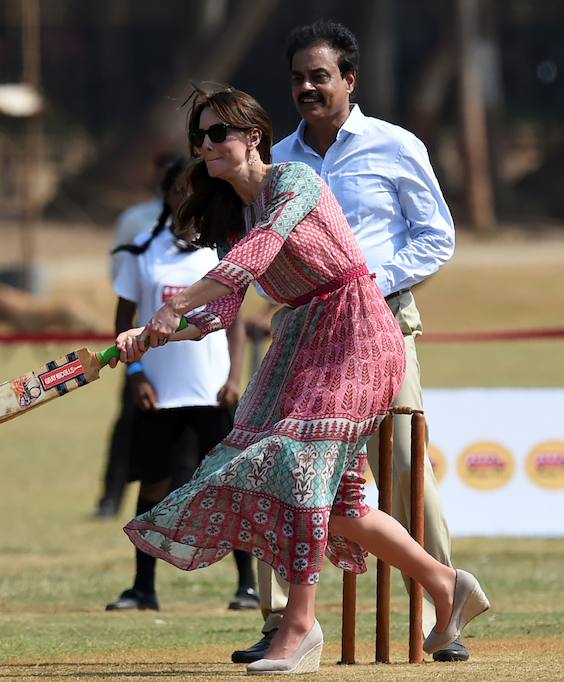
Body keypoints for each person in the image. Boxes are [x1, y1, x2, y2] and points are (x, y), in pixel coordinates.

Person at [113, 85, 489, 675]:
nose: (207, 145)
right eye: (200, 137)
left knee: (297, 470)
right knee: (340, 503)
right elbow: (222, 309)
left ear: (252, 137)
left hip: (357, 332)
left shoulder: (295, 183)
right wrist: (156, 332)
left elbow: (257, 257)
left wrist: (175, 301)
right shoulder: (235, 214)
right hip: (299, 342)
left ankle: (298, 626)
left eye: (219, 133)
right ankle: (446, 585)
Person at [230, 20, 465, 665]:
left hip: (384, 323)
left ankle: (442, 606)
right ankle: (284, 621)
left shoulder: (394, 146)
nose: (308, 87)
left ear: (349, 80)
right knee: (285, 467)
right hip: (305, 335)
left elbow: (436, 236)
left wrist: (363, 283)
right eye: (299, 78)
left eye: (321, 76)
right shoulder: (279, 160)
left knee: (404, 467)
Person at [105, 158, 259, 612]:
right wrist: (135, 375)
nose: (184, 199)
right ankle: (142, 588)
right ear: (166, 196)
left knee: (232, 486)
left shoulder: (222, 250)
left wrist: (234, 378)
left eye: (192, 190)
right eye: (176, 190)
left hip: (213, 392)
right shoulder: (142, 251)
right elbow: (122, 322)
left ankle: (246, 586)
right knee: (153, 486)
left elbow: (235, 323)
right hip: (159, 392)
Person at [98, 153, 180, 518]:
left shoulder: (205, 229)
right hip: (140, 349)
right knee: (130, 422)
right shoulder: (137, 222)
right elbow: (121, 282)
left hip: (185, 351)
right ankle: (111, 496)